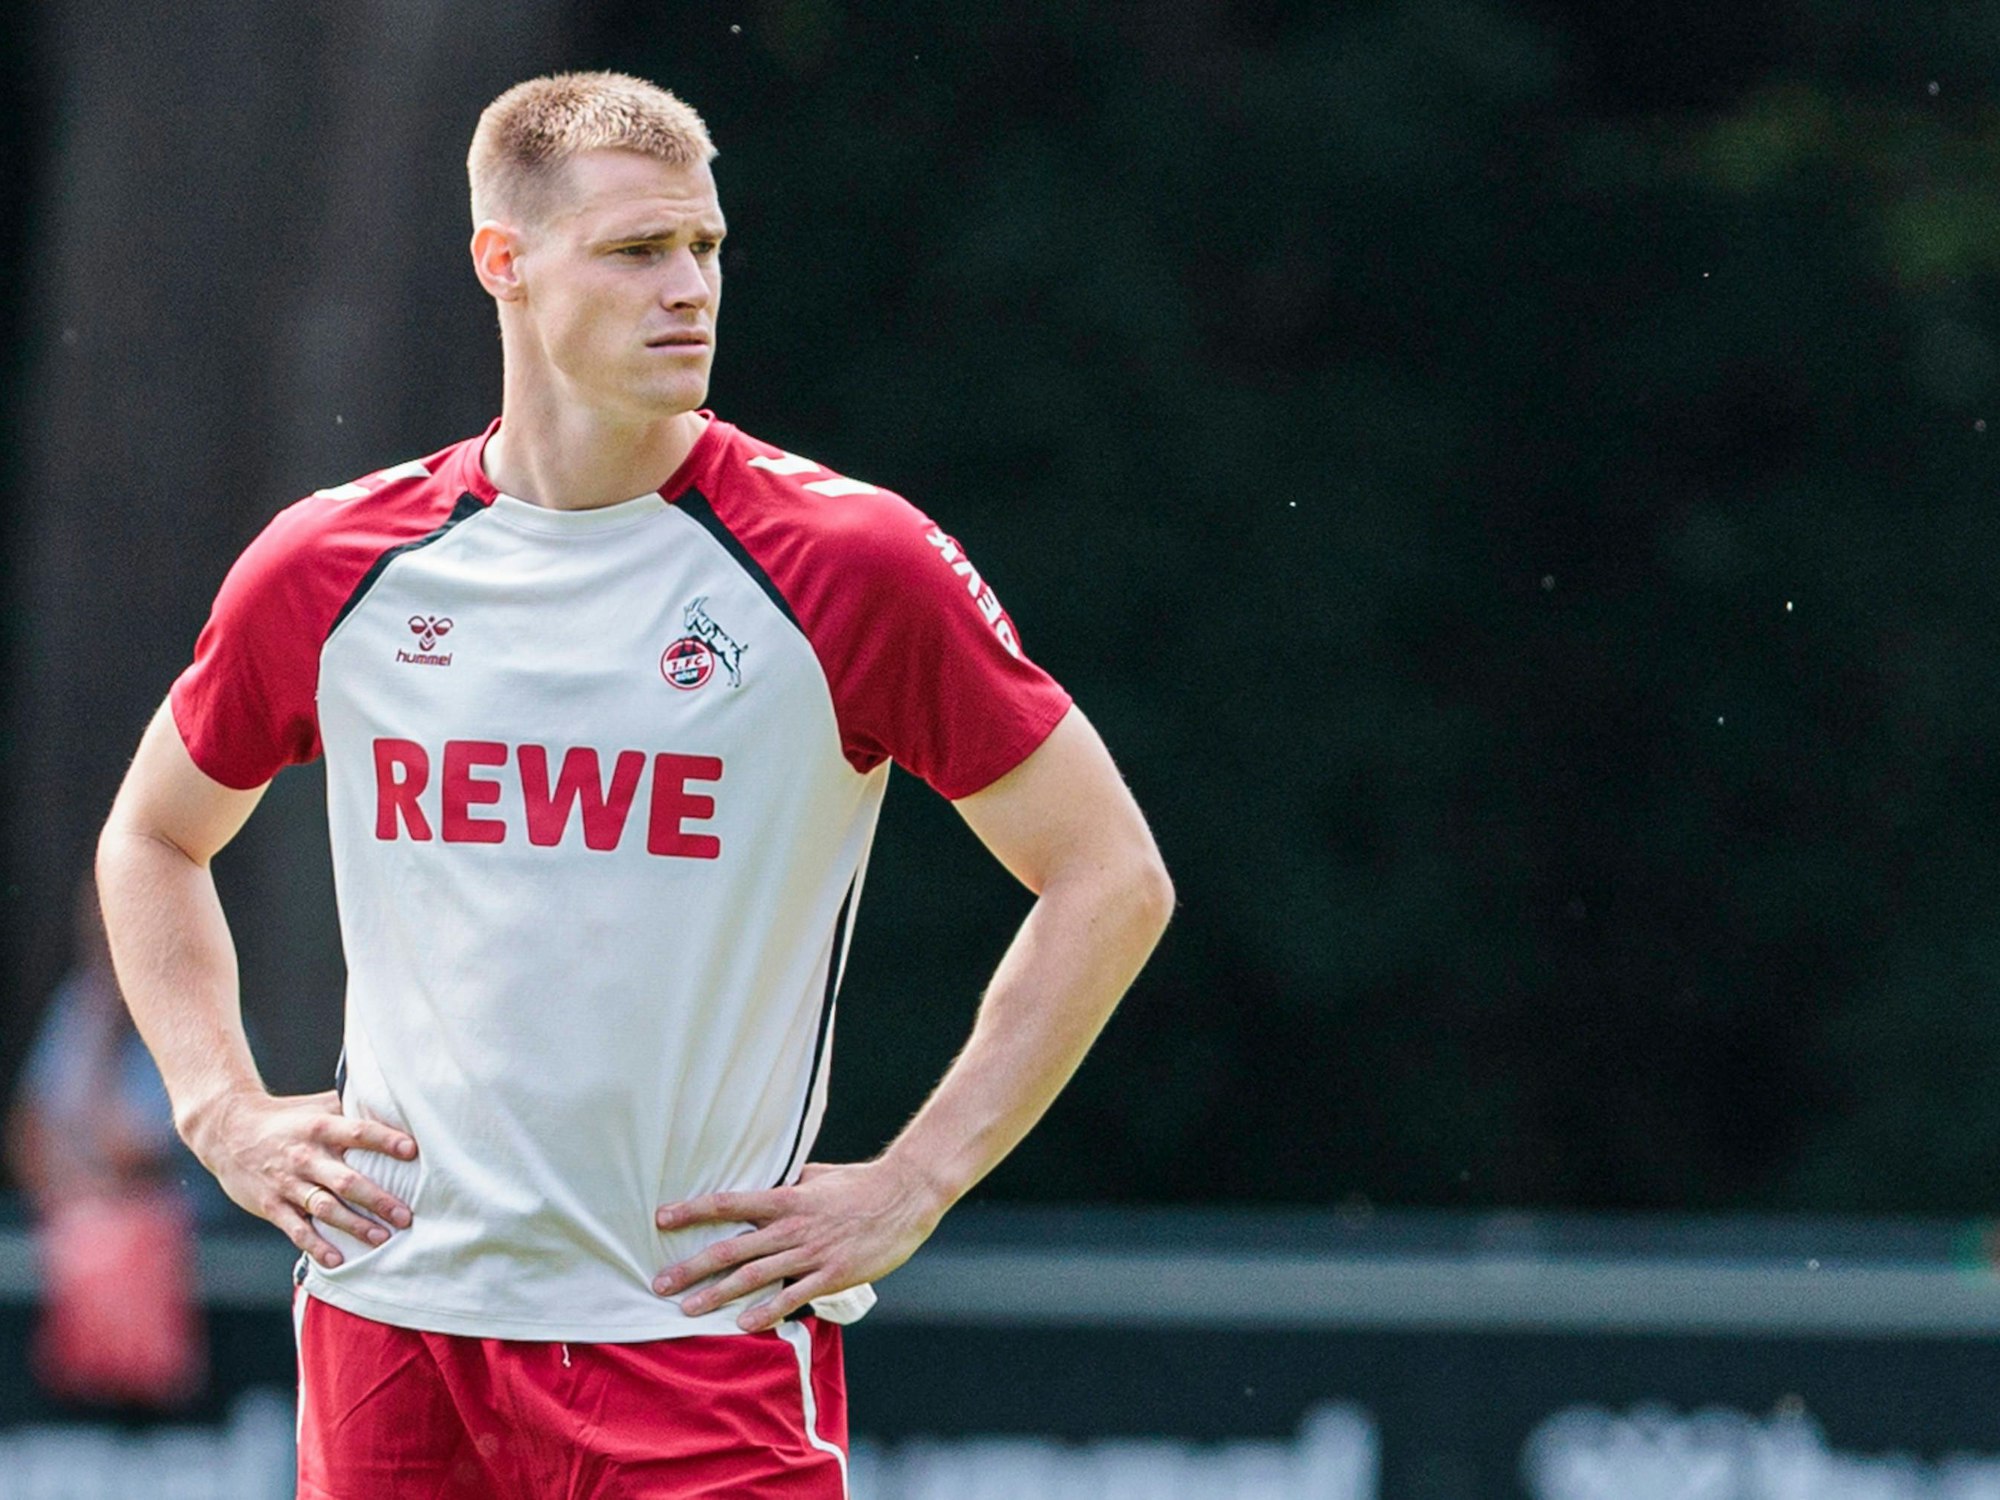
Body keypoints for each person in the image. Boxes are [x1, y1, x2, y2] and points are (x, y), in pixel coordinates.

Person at [95, 70, 1173, 1498]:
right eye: (637, 251)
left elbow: (1110, 878)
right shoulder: (330, 563)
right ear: (505, 263)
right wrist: (219, 1107)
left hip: (696, 1340)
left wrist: (914, 1181)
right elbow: (155, 836)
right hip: (392, 1333)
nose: (690, 289)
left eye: (706, 249)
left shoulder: (852, 564)